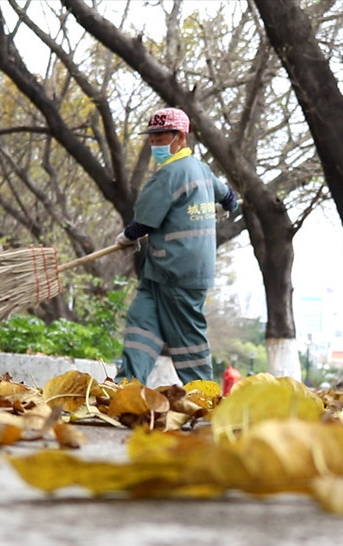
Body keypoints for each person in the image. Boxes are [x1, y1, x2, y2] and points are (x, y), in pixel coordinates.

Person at [114, 107, 238, 385]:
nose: (155, 143)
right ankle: (127, 386)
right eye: (153, 138)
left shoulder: (170, 174)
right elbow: (229, 197)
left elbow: (144, 222)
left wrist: (127, 237)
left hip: (178, 271)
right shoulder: (202, 171)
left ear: (180, 137)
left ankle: (203, 395)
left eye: (161, 138)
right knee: (141, 324)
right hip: (160, 271)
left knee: (187, 339)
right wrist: (227, 206)